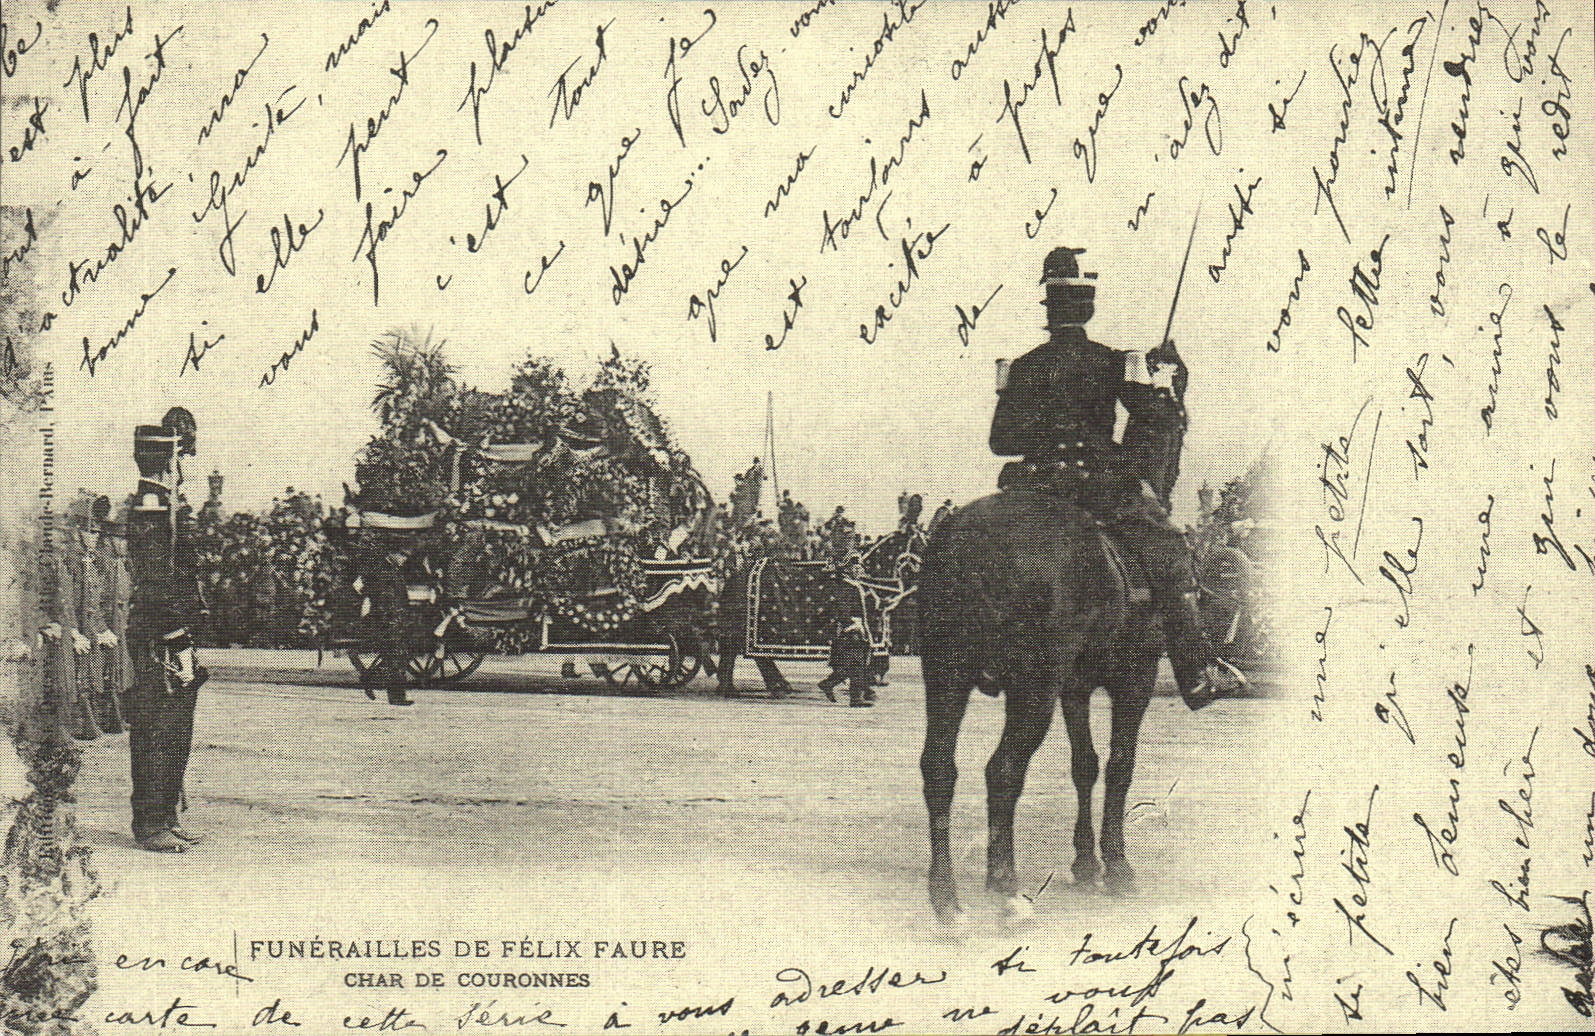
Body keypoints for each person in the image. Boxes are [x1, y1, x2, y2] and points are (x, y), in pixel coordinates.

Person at [989, 245, 1244, 707]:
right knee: (1167, 547)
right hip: (1095, 487)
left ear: (1048, 310)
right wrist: (1165, 376)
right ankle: (1196, 670)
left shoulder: (1021, 367)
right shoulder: (1113, 361)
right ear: (1087, 308)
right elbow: (1154, 422)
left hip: (1032, 488)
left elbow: (1000, 443)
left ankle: (987, 653)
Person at [125, 407, 210, 852]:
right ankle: (151, 822)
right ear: (164, 461)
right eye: (178, 457)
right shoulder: (152, 505)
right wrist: (176, 635)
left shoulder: (165, 504)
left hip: (171, 630)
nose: (182, 465)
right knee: (157, 728)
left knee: (175, 728)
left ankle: (166, 815)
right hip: (160, 634)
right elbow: (155, 577)